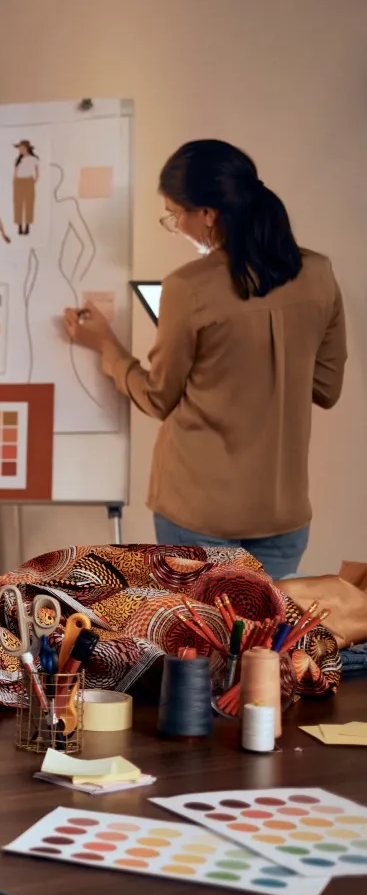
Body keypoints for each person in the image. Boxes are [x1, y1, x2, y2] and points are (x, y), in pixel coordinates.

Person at [62, 139, 346, 579]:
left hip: (198, 512)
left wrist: (108, 349)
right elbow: (326, 389)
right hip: (284, 516)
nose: (176, 225)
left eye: (175, 214)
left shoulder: (188, 287)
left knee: (201, 642)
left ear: (209, 214)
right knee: (263, 645)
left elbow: (158, 397)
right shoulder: (319, 273)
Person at [14, 140, 39, 235]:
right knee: (18, 204)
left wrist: (34, 180)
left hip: (28, 181)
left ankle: (27, 226)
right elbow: (16, 171)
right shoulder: (19, 160)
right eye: (19, 148)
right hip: (19, 182)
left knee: (29, 203)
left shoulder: (33, 159)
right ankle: (20, 226)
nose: (20, 150)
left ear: (26, 148)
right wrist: (15, 181)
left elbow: (36, 171)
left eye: (21, 148)